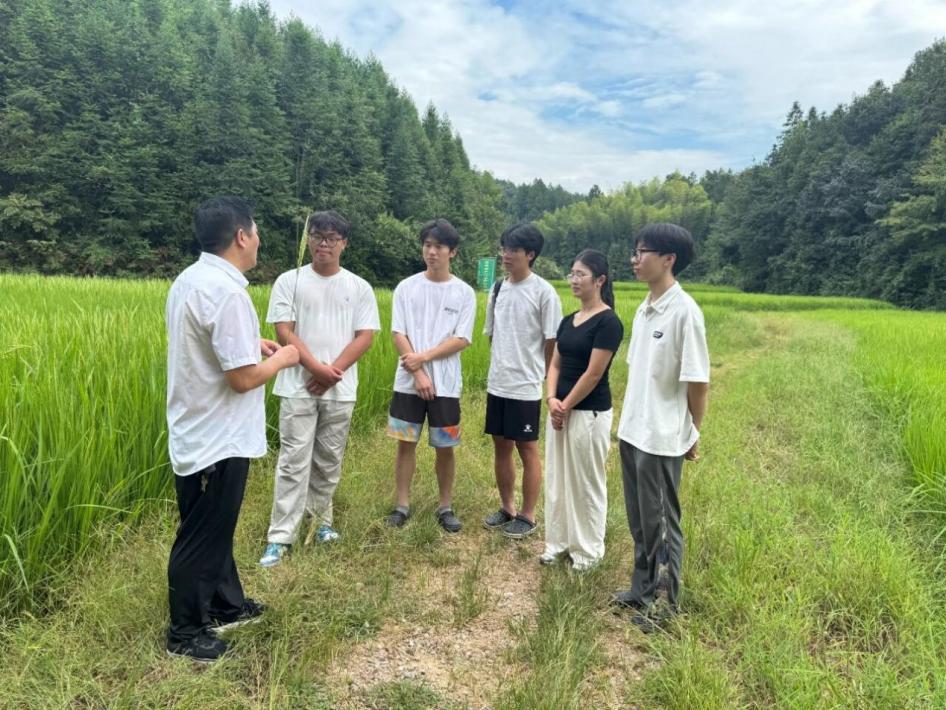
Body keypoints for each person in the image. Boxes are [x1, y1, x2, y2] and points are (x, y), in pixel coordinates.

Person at [165, 196, 300, 662]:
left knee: (215, 528)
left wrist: (250, 343)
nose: (259, 240)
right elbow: (242, 379)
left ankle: (225, 605)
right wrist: (284, 357)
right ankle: (185, 633)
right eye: (256, 232)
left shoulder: (191, 279)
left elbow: (209, 345)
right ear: (241, 236)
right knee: (201, 536)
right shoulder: (227, 292)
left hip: (199, 427)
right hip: (216, 437)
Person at [258, 210, 380, 568]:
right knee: (293, 461)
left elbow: (365, 336)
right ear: (308, 239)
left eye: (331, 238)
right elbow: (284, 330)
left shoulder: (359, 287)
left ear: (344, 243)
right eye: (316, 236)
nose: (323, 244)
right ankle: (280, 536)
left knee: (328, 459)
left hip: (340, 388)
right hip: (297, 386)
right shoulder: (289, 281)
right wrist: (315, 368)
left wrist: (332, 372)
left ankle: (321, 522)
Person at [611, 223, 710, 632]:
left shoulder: (684, 311)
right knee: (640, 521)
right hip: (634, 430)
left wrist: (692, 432)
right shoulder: (644, 308)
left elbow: (698, 382)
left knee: (663, 525)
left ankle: (665, 607)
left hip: (662, 437)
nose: (634, 260)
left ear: (668, 259)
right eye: (635, 252)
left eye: (642, 252)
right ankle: (641, 589)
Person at [385, 219, 476, 532]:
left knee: (445, 445)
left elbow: (461, 339)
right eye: (427, 245)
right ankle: (401, 505)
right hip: (408, 382)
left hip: (446, 385)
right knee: (405, 442)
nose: (432, 252)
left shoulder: (464, 293)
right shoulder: (406, 288)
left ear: (453, 252)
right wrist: (418, 373)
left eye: (439, 246)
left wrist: (422, 359)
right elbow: (398, 332)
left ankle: (445, 506)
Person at [543, 250, 624, 570]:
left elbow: (593, 374)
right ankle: (558, 543)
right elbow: (555, 364)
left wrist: (565, 405)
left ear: (600, 280)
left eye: (581, 274)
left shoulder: (608, 322)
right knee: (558, 478)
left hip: (589, 413)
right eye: (572, 273)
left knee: (585, 482)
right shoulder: (568, 320)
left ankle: (587, 552)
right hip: (559, 411)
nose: (574, 280)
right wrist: (552, 399)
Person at [483, 223, 562, 539]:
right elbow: (492, 334)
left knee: (527, 448)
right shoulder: (497, 289)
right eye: (503, 248)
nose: (505, 255)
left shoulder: (543, 292)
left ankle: (528, 515)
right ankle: (507, 507)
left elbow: (552, 340)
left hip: (526, 385)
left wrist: (541, 374)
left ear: (530, 254)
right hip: (498, 382)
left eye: (513, 250)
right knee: (500, 446)